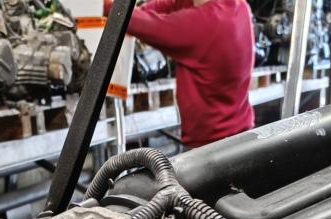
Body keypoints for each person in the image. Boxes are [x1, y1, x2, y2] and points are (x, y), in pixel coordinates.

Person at [107, 0, 255, 147]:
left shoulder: (203, 22)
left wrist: (105, 7)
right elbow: (175, 4)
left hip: (212, 146)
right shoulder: (239, 7)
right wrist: (140, 10)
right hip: (241, 135)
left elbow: (148, 25)